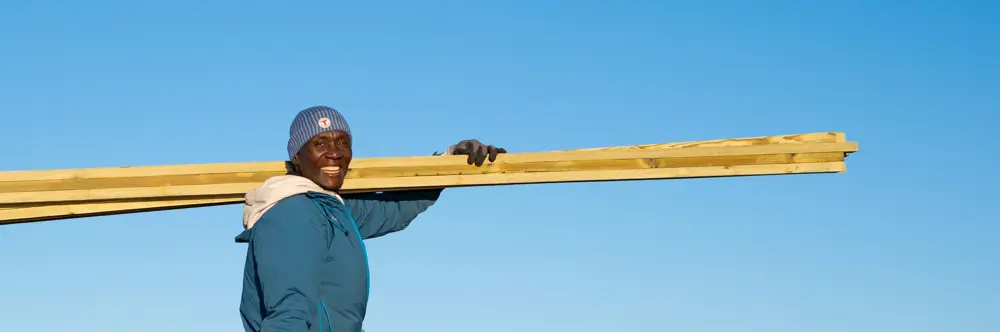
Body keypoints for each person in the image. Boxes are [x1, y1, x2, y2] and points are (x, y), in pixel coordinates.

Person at [234, 105, 506, 332]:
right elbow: (288, 313)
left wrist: (449, 163)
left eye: (342, 143)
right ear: (296, 156)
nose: (335, 152)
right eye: (320, 144)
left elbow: (395, 209)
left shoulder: (331, 210)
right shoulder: (293, 213)